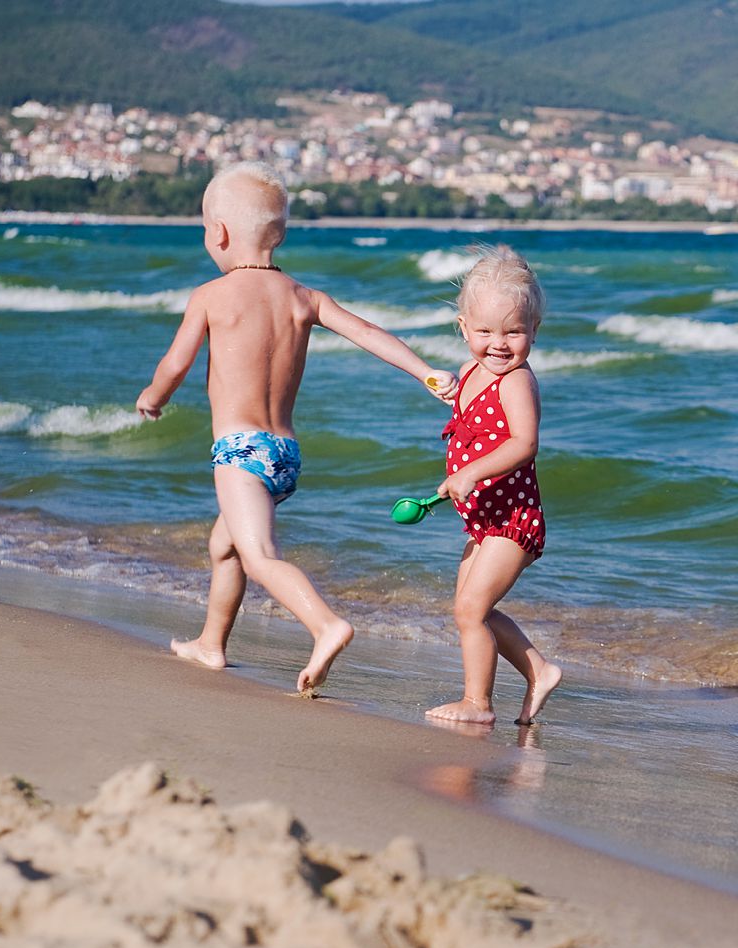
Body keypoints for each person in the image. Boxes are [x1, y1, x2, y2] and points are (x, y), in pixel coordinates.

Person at [136, 161, 455, 695]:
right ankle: (211, 644)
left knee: (258, 555)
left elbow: (175, 365)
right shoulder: (305, 298)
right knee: (227, 545)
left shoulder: (211, 296)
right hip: (283, 453)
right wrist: (425, 371)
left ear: (218, 233)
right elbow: (368, 332)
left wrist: (153, 397)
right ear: (278, 234)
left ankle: (326, 625)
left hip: (238, 451)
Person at [426, 246, 562, 726]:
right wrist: (449, 388)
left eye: (514, 332)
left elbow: (524, 443)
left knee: (470, 608)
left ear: (534, 333)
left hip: (513, 519)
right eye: (484, 331)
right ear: (463, 329)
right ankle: (538, 669)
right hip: (483, 521)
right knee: (469, 610)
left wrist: (469, 473)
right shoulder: (470, 372)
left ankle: (477, 703)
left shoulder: (517, 382)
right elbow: (472, 425)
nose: (499, 344)